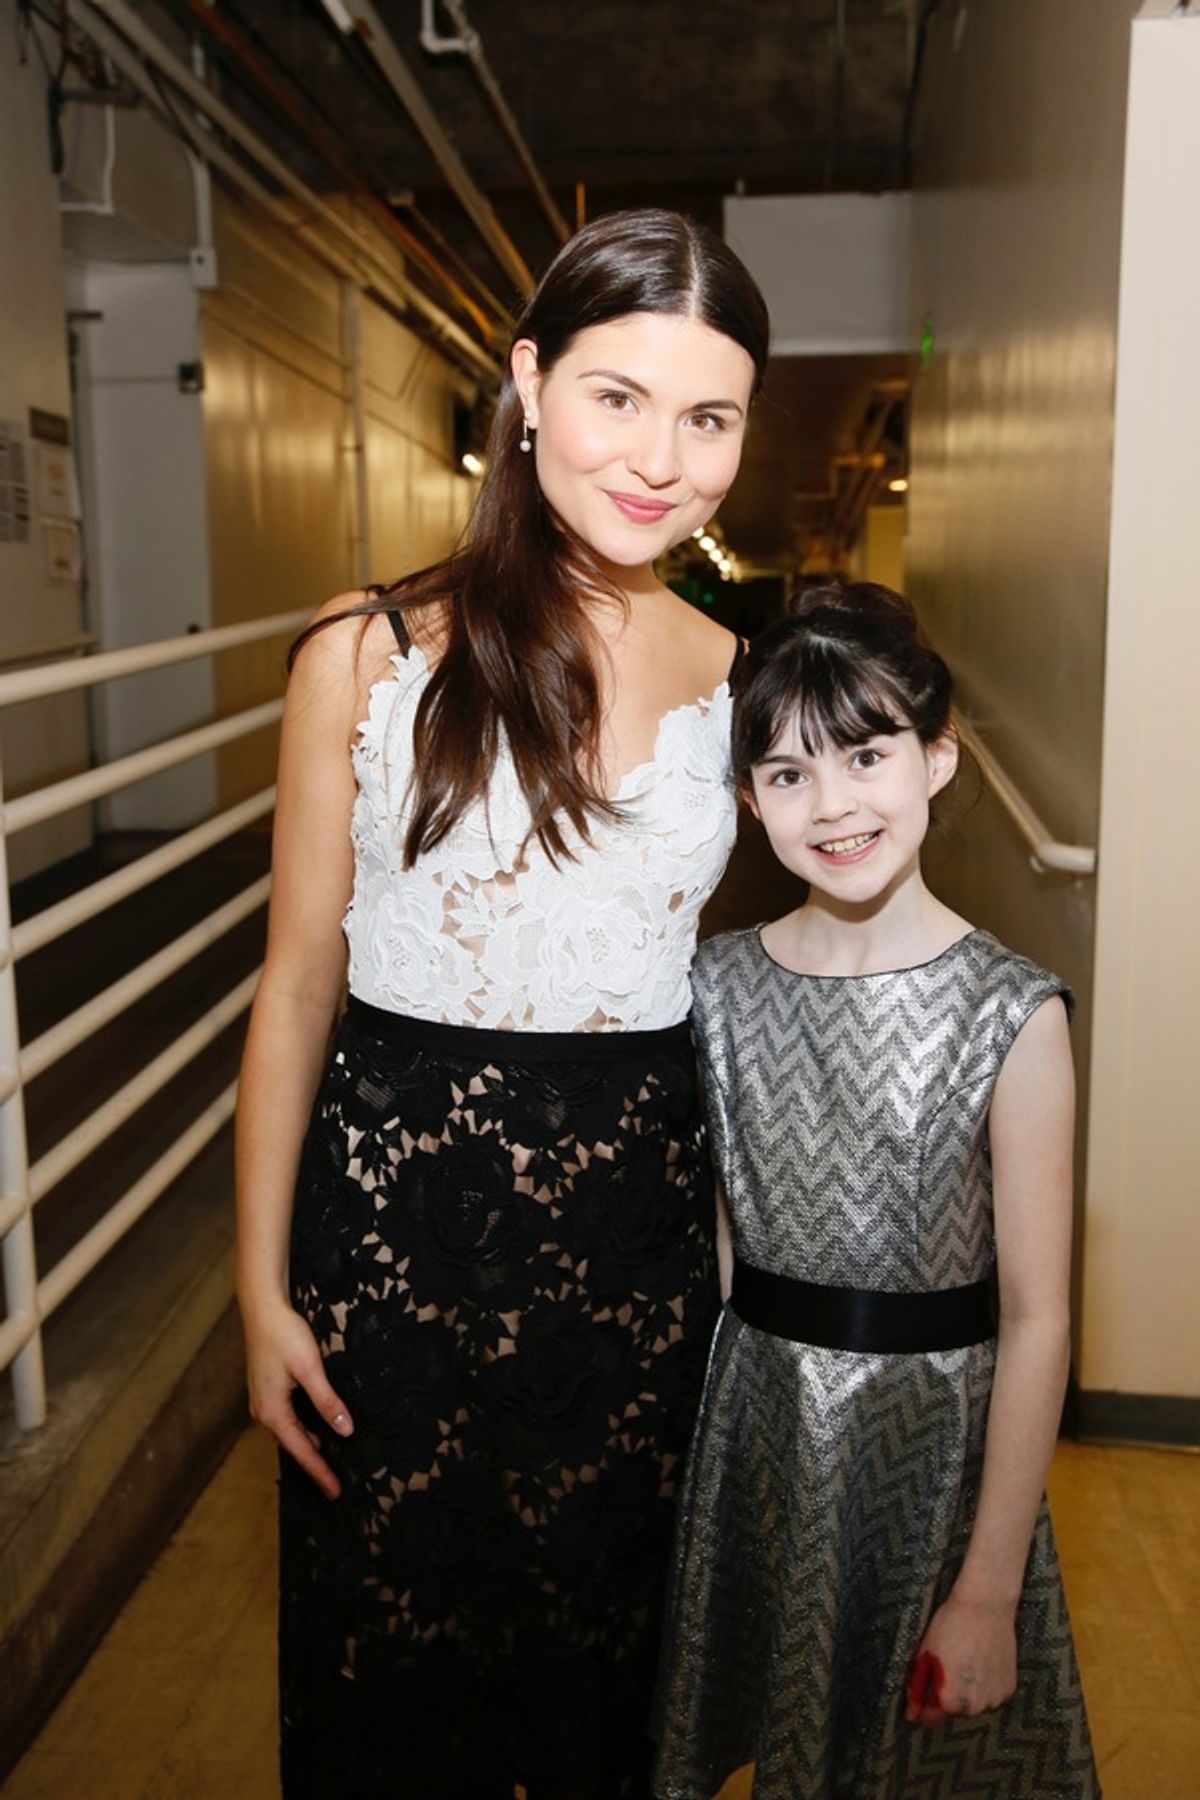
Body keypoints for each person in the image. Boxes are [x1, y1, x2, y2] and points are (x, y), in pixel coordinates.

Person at [234, 208, 769, 1799]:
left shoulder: (743, 678)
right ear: (530, 382)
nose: (661, 459)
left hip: (639, 1252)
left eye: (709, 417)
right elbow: (295, 982)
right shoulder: (368, 650)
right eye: (618, 397)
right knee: (392, 1683)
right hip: (396, 1243)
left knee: (604, 1685)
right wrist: (258, 1291)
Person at [651, 581, 1100, 1799]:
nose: (834, 803)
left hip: (932, 1458)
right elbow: (727, 1255)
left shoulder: (1009, 1013)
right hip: (760, 1439)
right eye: (788, 774)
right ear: (748, 801)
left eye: (866, 753)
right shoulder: (715, 988)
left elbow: (1038, 1318)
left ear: (939, 759)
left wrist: (990, 1583)